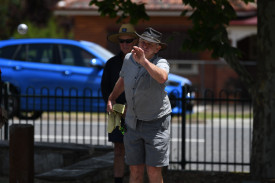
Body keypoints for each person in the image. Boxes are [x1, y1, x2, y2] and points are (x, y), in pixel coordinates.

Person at [107, 27, 171, 183]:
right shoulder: (129, 59)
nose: (145, 46)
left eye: (150, 44)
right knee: (135, 170)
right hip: (132, 123)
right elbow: (123, 79)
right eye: (143, 42)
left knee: (153, 171)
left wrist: (144, 61)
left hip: (156, 124)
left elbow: (162, 77)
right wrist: (112, 98)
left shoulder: (161, 62)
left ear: (158, 48)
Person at [101, 24, 138, 183]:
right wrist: (112, 105)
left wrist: (131, 108)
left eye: (128, 41)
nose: (124, 44)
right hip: (117, 114)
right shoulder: (111, 64)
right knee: (118, 150)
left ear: (135, 41)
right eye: (121, 41)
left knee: (136, 151)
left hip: (137, 115)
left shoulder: (142, 63)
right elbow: (105, 89)